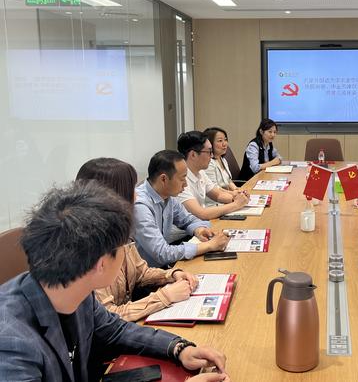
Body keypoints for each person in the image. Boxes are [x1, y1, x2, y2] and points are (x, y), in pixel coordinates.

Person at [0, 181, 230, 381]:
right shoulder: (11, 343)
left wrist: (179, 349)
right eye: (125, 245)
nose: (129, 250)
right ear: (101, 264)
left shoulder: (73, 288)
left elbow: (116, 330)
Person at [76, 157, 199, 322]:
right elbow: (107, 317)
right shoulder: (87, 250)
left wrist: (173, 274)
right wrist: (165, 296)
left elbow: (141, 273)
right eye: (131, 189)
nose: (136, 195)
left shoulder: (120, 232)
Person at [135, 150, 229, 268]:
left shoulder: (167, 196)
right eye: (182, 179)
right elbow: (162, 253)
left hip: (164, 268)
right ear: (163, 179)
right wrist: (209, 246)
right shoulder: (140, 206)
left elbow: (188, 219)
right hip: (147, 274)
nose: (185, 184)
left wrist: (199, 230)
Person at [177, 131, 249, 218]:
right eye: (209, 152)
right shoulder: (180, 179)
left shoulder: (200, 172)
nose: (211, 156)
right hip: (192, 225)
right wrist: (236, 204)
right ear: (193, 154)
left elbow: (218, 195)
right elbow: (201, 214)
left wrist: (238, 198)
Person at [204, 127, 239, 194]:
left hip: (227, 195)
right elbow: (214, 188)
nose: (224, 144)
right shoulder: (208, 163)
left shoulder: (223, 159)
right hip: (216, 199)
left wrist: (237, 190)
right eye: (220, 141)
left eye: (225, 140)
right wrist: (233, 194)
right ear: (210, 143)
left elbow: (228, 181)